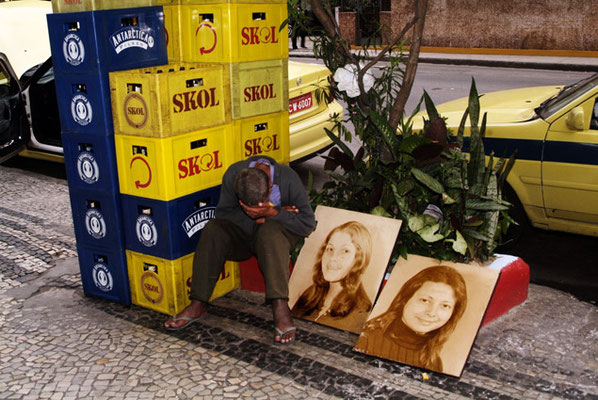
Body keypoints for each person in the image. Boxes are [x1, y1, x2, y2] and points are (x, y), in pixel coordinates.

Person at [164, 156, 316, 345]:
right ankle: (198, 303)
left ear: (269, 187)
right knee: (213, 229)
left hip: (277, 238)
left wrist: (274, 213)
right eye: (248, 208)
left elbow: (308, 224)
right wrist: (258, 218)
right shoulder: (233, 175)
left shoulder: (288, 178)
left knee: (268, 232)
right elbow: (224, 215)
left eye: (259, 206)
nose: (255, 211)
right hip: (245, 235)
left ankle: (280, 306)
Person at [355, 265, 467, 372]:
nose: (432, 313)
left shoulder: (433, 361)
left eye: (445, 306)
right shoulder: (366, 337)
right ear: (404, 300)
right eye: (425, 300)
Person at [291, 221, 373, 333]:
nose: (333, 258)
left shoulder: (361, 311)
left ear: (358, 260)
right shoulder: (310, 294)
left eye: (345, 251)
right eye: (330, 249)